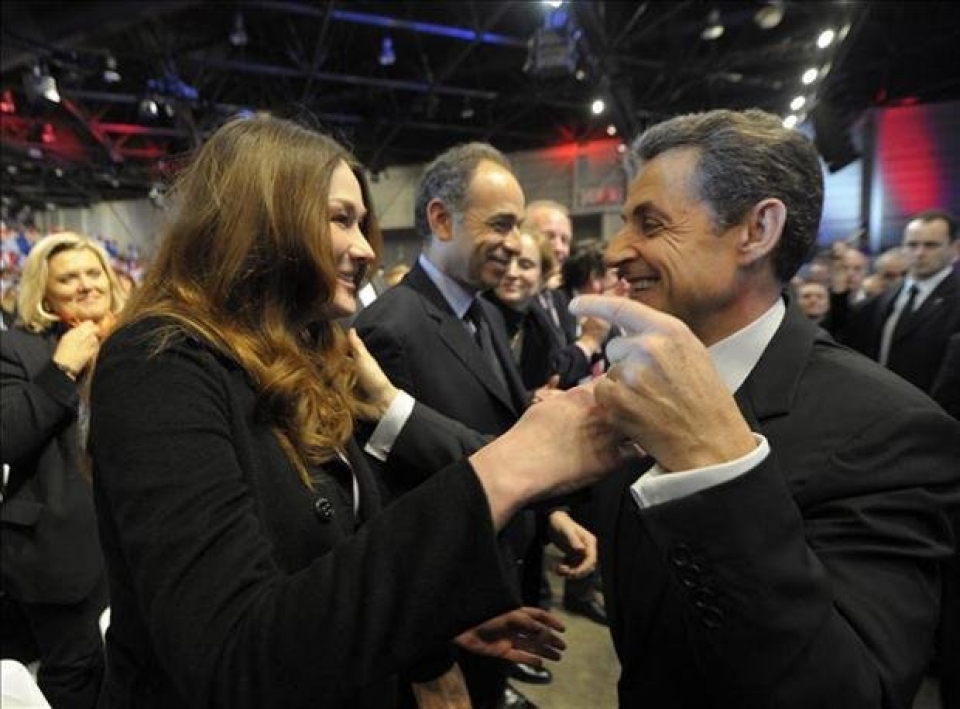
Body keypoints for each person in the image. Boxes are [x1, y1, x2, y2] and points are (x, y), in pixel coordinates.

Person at [85, 117, 627, 709]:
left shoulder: (309, 355)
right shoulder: (158, 361)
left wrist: (427, 625)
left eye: (362, 223)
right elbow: (234, 654)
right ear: (263, 215)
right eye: (342, 219)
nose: (369, 248)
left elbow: (335, 556)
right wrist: (507, 468)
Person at [568, 109, 960, 708]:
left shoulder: (891, 429)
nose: (618, 251)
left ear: (756, 231)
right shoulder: (637, 383)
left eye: (650, 223)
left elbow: (851, 694)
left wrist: (715, 465)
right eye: (626, 223)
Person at [355, 142, 597, 708]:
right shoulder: (391, 328)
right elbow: (389, 513)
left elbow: (505, 432)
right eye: (502, 224)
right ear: (441, 218)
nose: (517, 243)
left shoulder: (483, 310)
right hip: (442, 614)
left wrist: (552, 513)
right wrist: (427, 655)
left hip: (494, 590)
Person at [1, 232, 122, 709]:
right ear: (44, 293)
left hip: (132, 535)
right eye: (68, 278)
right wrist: (60, 372)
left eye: (93, 273)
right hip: (57, 553)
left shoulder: (133, 340)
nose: (86, 285)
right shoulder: (17, 348)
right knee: (75, 672)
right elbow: (6, 437)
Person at [834, 210, 960, 395]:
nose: (919, 253)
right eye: (912, 244)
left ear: (955, 249)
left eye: (931, 245)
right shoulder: (881, 299)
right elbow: (845, 339)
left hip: (937, 415)